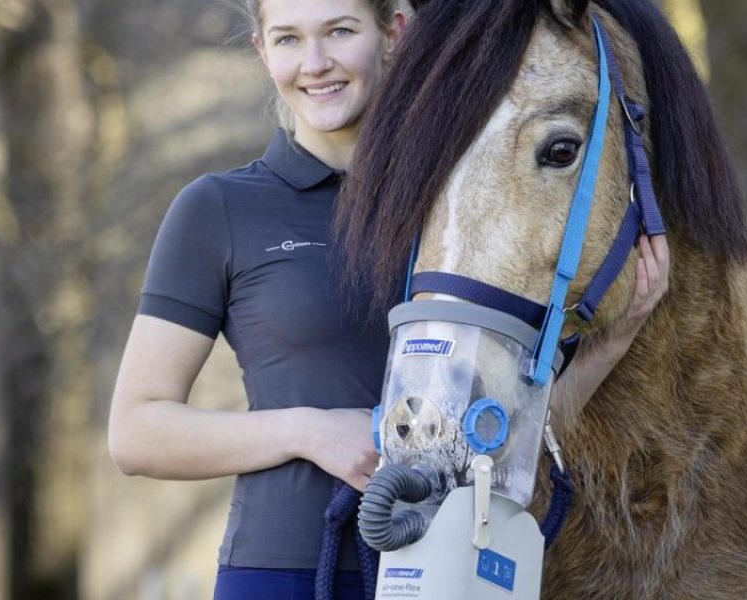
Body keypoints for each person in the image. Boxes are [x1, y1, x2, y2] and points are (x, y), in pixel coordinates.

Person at [105, 0, 670, 598]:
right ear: (261, 51)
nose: (315, 63)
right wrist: (308, 431)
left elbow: (502, 432)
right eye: (288, 39)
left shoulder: (460, 205)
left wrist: (613, 341)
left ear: (394, 31)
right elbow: (138, 431)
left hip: (453, 568)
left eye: (340, 31)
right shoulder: (218, 208)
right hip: (285, 572)